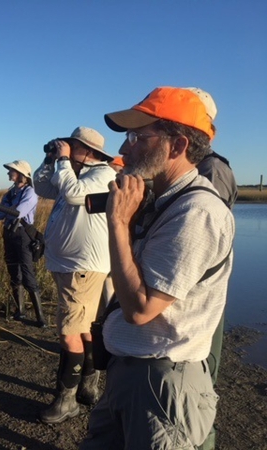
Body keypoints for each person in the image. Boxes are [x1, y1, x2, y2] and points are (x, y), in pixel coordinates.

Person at [80, 87, 235, 449]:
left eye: (136, 137)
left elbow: (140, 309)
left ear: (177, 146)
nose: (123, 149)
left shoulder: (197, 212)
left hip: (161, 386)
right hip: (130, 373)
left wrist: (118, 223)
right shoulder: (163, 203)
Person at [33, 126, 116, 424]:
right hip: (69, 266)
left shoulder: (103, 175)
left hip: (82, 267)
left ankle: (66, 401)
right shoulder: (72, 173)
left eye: (71, 146)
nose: (65, 149)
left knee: (69, 333)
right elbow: (42, 188)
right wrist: (49, 161)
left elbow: (73, 195)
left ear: (87, 150)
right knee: (82, 329)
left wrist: (65, 162)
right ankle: (87, 387)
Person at [185, 87, 238, 450]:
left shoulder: (212, 169)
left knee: (203, 367)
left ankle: (202, 438)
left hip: (199, 289)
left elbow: (202, 233)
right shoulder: (198, 166)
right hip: (184, 286)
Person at [0, 160, 45, 327]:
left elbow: (17, 213)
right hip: (9, 233)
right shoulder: (10, 193)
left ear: (21, 174)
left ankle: (40, 319)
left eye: (12, 171)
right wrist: (9, 208)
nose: (9, 173)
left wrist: (8, 207)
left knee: (27, 272)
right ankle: (20, 311)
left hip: (23, 235)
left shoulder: (30, 192)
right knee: (13, 271)